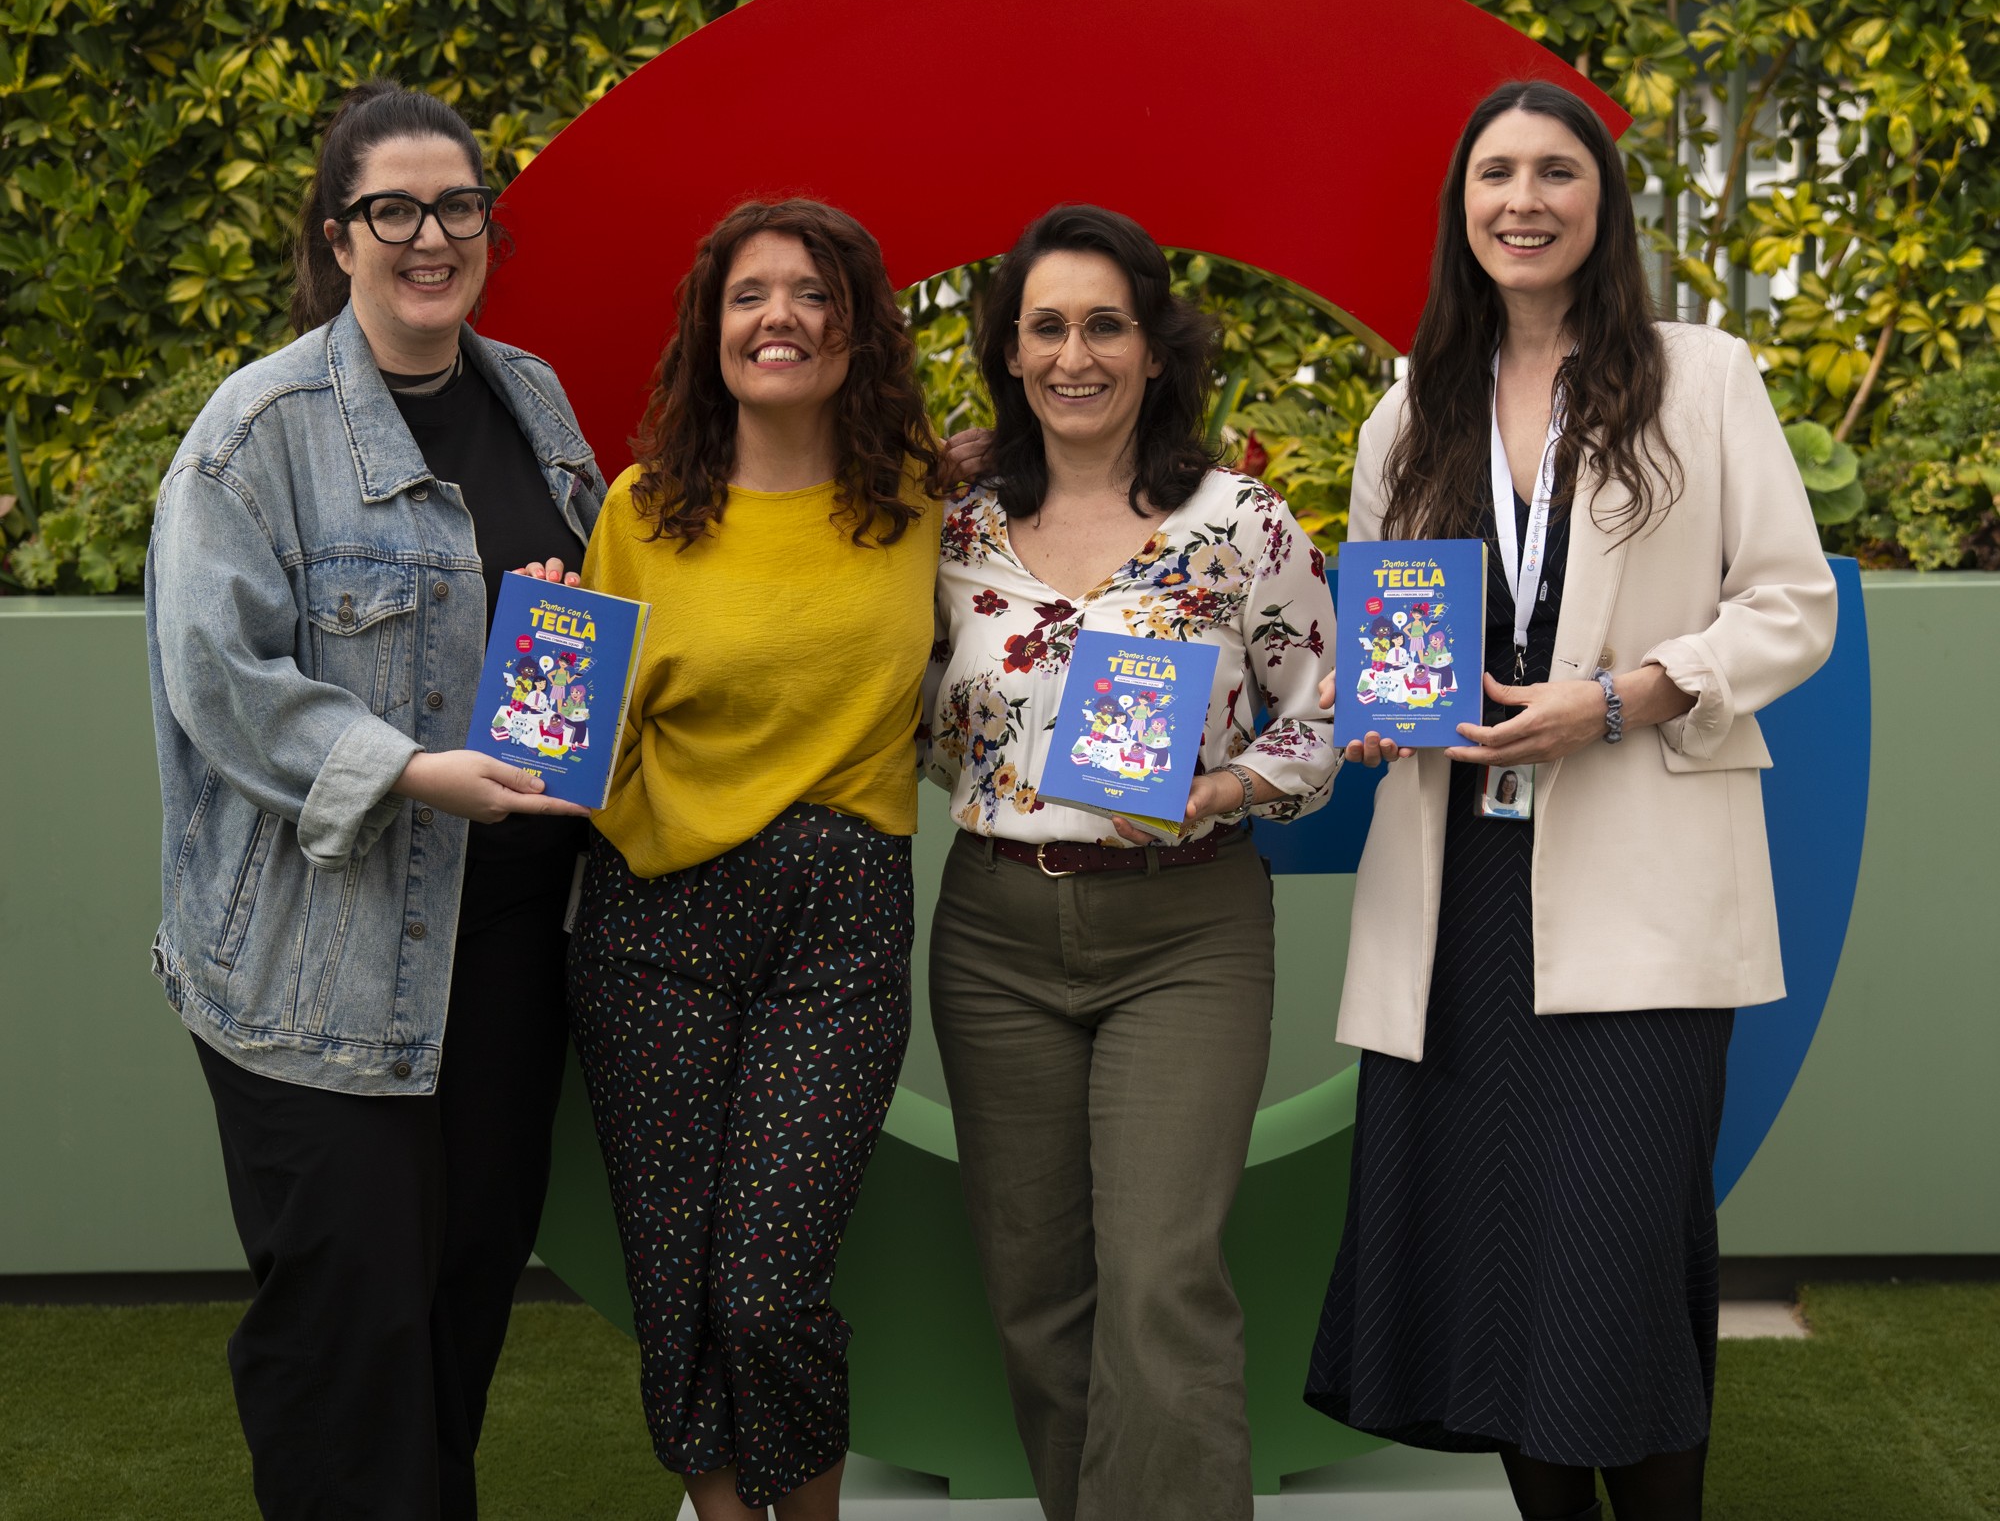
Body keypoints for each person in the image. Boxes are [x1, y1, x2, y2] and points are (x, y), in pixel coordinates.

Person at [1304, 80, 1838, 1521]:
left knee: (1617, 1252)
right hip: (1459, 893)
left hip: (1642, 873)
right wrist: (1376, 708)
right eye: (1494, 175)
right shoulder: (1410, 407)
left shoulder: (1700, 374)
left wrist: (1625, 695)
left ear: (1601, 202)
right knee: (1490, 1257)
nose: (1521, 201)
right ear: (1459, 208)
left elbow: (1791, 606)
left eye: (1554, 172)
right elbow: (1380, 624)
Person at [146, 80, 606, 1520]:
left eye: (457, 206)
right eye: (391, 210)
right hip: (322, 975)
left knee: (461, 1311)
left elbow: (561, 625)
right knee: (346, 1347)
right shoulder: (256, 433)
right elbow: (218, 678)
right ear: (336, 236)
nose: (429, 236)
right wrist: (406, 770)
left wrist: (562, 620)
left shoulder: (531, 400)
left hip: (511, 964)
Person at [923, 204, 1340, 1521]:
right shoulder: (957, 527)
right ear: (1008, 351)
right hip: (994, 933)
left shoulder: (1240, 525)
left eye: (1106, 324)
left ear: (1157, 349)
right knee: (1039, 1294)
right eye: (1045, 326)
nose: (1075, 354)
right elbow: (910, 701)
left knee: (1161, 1280)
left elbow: (1330, 703)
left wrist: (1232, 782)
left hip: (1186, 933)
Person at [568, 199, 951, 1521]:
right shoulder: (637, 510)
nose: (779, 317)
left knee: (769, 1283)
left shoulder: (922, 502)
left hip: (837, 924)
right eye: (749, 295)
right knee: (675, 1278)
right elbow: (578, 731)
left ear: (859, 331)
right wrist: (541, 655)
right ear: (710, 328)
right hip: (653, 921)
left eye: (811, 294)